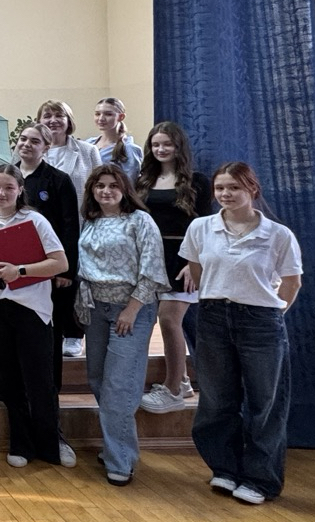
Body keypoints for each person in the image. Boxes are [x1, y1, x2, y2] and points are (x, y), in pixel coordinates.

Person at [180, 162, 302, 505]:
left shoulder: (278, 234)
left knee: (266, 403)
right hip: (213, 318)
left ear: (252, 189)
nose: (226, 194)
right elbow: (197, 270)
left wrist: (271, 313)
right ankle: (225, 468)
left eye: (234, 187)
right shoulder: (201, 228)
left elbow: (291, 283)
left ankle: (261, 480)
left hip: (261, 321)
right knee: (217, 400)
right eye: (220, 188)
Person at [0, 165, 73, 469]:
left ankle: (52, 441)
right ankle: (21, 442)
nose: (1, 193)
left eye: (8, 187)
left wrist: (19, 270)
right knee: (9, 380)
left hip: (31, 308)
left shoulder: (35, 221)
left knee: (39, 379)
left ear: (20, 190)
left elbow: (60, 263)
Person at [76, 165, 168, 486]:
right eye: (100, 185)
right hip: (96, 309)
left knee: (119, 386)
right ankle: (117, 446)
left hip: (131, 309)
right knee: (98, 379)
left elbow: (152, 269)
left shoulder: (139, 221)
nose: (106, 191)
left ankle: (120, 459)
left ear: (124, 189)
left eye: (113, 185)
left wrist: (131, 309)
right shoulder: (90, 221)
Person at [135, 122, 212, 413]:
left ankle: (173, 390)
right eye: (156, 144)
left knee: (169, 320)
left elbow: (204, 226)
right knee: (151, 321)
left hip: (183, 258)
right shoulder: (143, 181)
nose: (161, 149)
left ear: (179, 146)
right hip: (151, 256)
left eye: (167, 144)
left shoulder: (197, 181)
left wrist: (195, 264)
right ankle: (181, 380)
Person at [14, 124, 82, 385]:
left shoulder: (58, 180)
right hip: (14, 266)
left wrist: (66, 271)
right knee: (18, 327)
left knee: (48, 329)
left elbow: (70, 226)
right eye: (23, 139)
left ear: (46, 147)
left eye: (34, 141)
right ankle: (18, 384)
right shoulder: (8, 176)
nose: (26, 144)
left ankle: (50, 385)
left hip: (49, 268)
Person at [36, 100, 101, 210]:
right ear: (39, 122)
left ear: (69, 121)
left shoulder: (89, 151)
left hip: (78, 216)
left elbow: (100, 187)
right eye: (47, 116)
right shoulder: (29, 151)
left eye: (59, 115)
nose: (53, 120)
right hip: (39, 217)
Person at [86, 97, 143, 183]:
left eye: (108, 114)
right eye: (97, 114)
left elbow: (129, 183)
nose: (101, 118)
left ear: (121, 117)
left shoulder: (129, 149)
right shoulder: (88, 143)